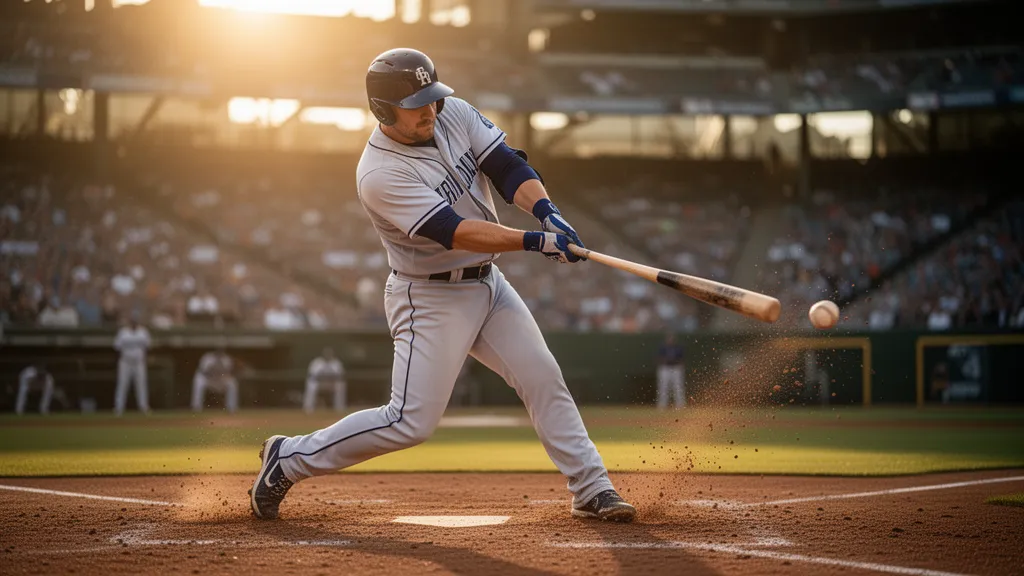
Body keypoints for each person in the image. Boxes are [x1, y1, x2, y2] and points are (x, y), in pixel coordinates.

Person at [250, 48, 635, 523]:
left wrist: (547, 211)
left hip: (488, 285)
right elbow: (454, 231)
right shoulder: (379, 173)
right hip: (429, 297)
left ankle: (592, 488)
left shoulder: (451, 111)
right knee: (409, 422)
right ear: (383, 111)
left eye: (432, 98)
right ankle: (288, 458)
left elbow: (506, 165)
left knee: (542, 377)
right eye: (416, 105)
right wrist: (537, 240)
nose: (430, 110)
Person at [113, 315, 151, 416]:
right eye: (132, 322)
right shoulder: (123, 332)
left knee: (141, 385)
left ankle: (143, 407)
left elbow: (147, 347)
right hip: (125, 362)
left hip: (139, 362)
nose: (134, 324)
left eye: (135, 322)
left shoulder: (143, 332)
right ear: (130, 322)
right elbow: (117, 348)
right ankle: (119, 408)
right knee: (122, 384)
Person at [191, 345, 239, 413]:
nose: (219, 352)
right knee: (198, 381)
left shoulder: (226, 359)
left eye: (221, 350)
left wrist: (223, 376)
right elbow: (203, 371)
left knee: (232, 383)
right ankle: (196, 407)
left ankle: (231, 407)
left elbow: (229, 372)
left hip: (219, 380)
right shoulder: (207, 357)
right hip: (207, 379)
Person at [303, 347, 346, 414]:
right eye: (326, 353)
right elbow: (312, 375)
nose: (328, 355)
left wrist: (330, 383)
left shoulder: (336, 363)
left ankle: (339, 408)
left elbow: (340, 376)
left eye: (329, 353)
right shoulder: (317, 362)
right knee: (311, 385)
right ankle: (308, 408)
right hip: (318, 383)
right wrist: (323, 382)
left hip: (332, 383)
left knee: (340, 385)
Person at [656, 332, 685, 409]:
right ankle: (662, 405)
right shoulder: (663, 347)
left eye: (672, 338)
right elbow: (660, 358)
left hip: (676, 368)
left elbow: (681, 359)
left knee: (678, 387)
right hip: (665, 368)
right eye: (669, 338)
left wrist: (673, 361)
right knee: (663, 387)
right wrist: (668, 360)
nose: (670, 340)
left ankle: (680, 405)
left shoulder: (678, 348)